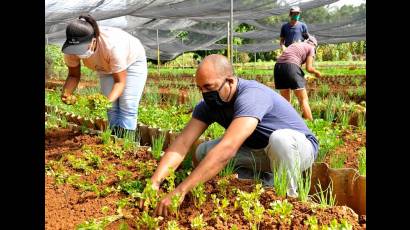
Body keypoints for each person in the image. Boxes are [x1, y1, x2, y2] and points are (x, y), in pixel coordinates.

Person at [143, 54, 319, 217]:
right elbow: (182, 143)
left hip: (298, 150)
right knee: (204, 151)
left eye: (209, 87)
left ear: (230, 81)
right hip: (262, 152)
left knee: (280, 140)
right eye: (200, 88)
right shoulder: (207, 106)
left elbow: (228, 148)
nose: (205, 94)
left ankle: (287, 201)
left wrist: (181, 190)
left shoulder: (251, 95)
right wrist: (155, 181)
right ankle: (264, 183)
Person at [60, 14, 147, 137]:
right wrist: (67, 93)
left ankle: (127, 142)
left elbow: (120, 82)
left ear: (93, 41)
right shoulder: (71, 50)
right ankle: (115, 139)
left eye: (81, 48)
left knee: (127, 104)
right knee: (111, 108)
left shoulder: (112, 46)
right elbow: (73, 76)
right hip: (105, 67)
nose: (77, 52)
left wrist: (103, 102)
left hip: (132, 61)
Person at [274, 35, 321, 120]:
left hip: (278, 68)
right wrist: (317, 72)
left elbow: (286, 53)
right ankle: (311, 124)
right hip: (291, 67)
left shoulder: (295, 45)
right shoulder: (311, 48)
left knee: (285, 101)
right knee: (303, 99)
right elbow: (309, 68)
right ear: (314, 45)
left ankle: (285, 121)